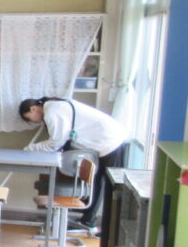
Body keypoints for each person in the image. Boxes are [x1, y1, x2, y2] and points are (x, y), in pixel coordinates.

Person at [19, 96, 128, 231]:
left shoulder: (52, 113)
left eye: (29, 118)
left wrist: (31, 148)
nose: (34, 122)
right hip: (110, 137)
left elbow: (55, 143)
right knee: (98, 182)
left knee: (110, 188)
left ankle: (108, 229)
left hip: (110, 140)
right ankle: (88, 220)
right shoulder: (55, 106)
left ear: (33, 108)